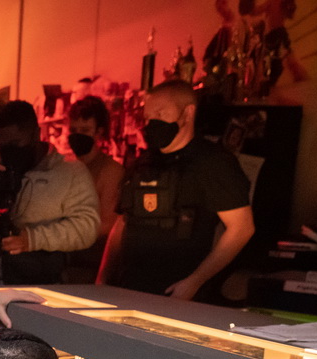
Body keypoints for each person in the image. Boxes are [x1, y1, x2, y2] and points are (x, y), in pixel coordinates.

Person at [99, 79, 255, 302]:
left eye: (160, 114)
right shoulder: (143, 162)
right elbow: (122, 223)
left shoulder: (213, 162)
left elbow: (242, 228)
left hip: (178, 295)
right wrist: (103, 277)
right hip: (128, 290)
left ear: (188, 113)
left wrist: (194, 282)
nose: (152, 123)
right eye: (148, 117)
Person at [0, 100, 99, 286]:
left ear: (36, 134)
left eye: (15, 143)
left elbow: (87, 227)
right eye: (2, 145)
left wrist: (31, 239)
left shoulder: (69, 172)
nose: (9, 151)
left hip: (34, 285)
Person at [64, 95, 125, 283]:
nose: (77, 135)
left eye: (85, 130)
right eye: (73, 130)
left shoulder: (111, 171)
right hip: (66, 264)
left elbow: (109, 225)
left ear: (99, 132)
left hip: (92, 267)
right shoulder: (66, 168)